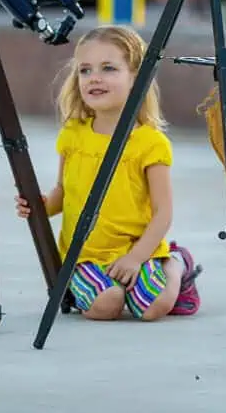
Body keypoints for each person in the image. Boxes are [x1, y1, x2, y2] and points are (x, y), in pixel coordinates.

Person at [14, 25, 203, 321]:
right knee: (106, 305)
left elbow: (163, 212)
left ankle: (176, 263)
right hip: (86, 255)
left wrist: (136, 258)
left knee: (153, 309)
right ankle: (115, 285)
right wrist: (39, 206)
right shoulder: (73, 135)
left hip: (138, 250)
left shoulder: (150, 143)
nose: (95, 78)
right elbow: (63, 193)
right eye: (85, 70)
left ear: (136, 77)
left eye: (108, 68)